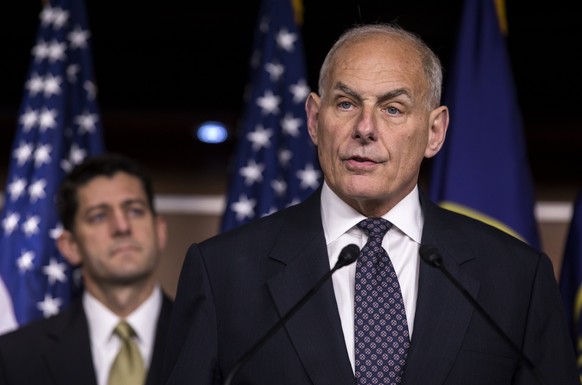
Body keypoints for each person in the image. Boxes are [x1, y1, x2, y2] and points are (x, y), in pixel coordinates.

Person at [161, 24, 579, 385]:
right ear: (313, 118)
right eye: (346, 104)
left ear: (435, 131)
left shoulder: (517, 280)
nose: (365, 128)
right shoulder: (222, 274)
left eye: (393, 109)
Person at [0, 153, 173, 385]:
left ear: (160, 231)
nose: (122, 227)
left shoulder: (213, 342)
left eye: (135, 211)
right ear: (71, 246)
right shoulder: (14, 356)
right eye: (99, 216)